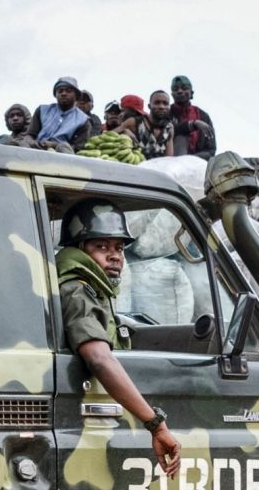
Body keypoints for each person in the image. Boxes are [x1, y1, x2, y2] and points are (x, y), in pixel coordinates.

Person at [55, 198, 181, 480]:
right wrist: (156, 424)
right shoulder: (78, 291)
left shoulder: (95, 291)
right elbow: (99, 358)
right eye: (101, 247)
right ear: (78, 249)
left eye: (119, 248)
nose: (114, 256)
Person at [28, 76, 91, 153]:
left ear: (76, 95)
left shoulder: (83, 120)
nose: (63, 93)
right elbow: (30, 135)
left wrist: (54, 145)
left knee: (63, 147)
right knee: (18, 142)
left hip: (62, 156)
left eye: (68, 91)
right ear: (56, 94)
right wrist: (32, 142)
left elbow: (78, 148)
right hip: (36, 151)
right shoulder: (42, 110)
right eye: (60, 91)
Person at [169, 75, 216, 160]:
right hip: (170, 160)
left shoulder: (203, 116)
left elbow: (211, 150)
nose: (179, 91)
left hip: (197, 162)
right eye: (175, 89)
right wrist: (193, 124)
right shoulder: (166, 112)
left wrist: (190, 159)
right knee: (181, 138)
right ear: (172, 94)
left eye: (184, 88)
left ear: (191, 93)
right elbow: (165, 132)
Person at [136, 90, 175, 159]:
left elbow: (169, 158)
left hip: (158, 165)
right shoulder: (137, 122)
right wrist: (125, 131)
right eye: (157, 103)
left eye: (165, 103)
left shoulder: (169, 128)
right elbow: (114, 135)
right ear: (149, 106)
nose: (161, 107)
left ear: (169, 107)